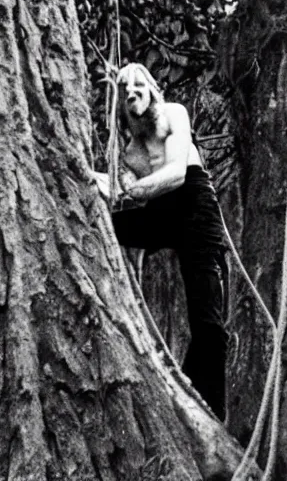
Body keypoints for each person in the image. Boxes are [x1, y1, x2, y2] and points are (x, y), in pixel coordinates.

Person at [94, 63, 228, 420]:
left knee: (209, 322)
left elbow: (177, 173)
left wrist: (135, 189)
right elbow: (115, 188)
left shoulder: (173, 114)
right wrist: (86, 175)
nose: (133, 92)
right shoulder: (131, 152)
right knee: (105, 223)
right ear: (120, 105)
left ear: (153, 90)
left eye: (140, 86)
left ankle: (210, 411)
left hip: (195, 206)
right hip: (161, 213)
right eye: (125, 91)